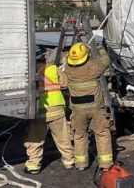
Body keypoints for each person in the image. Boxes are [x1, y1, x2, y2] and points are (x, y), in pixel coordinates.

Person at [60, 42, 113, 171]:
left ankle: (81, 164)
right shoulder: (93, 67)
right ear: (86, 56)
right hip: (96, 109)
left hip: (78, 110)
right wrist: (100, 48)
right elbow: (106, 60)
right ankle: (106, 164)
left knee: (79, 135)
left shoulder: (67, 69)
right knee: (102, 134)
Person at [23, 49, 75, 174]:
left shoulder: (29, 71)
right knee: (62, 136)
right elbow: (64, 84)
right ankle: (69, 161)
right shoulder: (53, 68)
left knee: (36, 138)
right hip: (57, 107)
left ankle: (33, 165)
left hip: (39, 109)